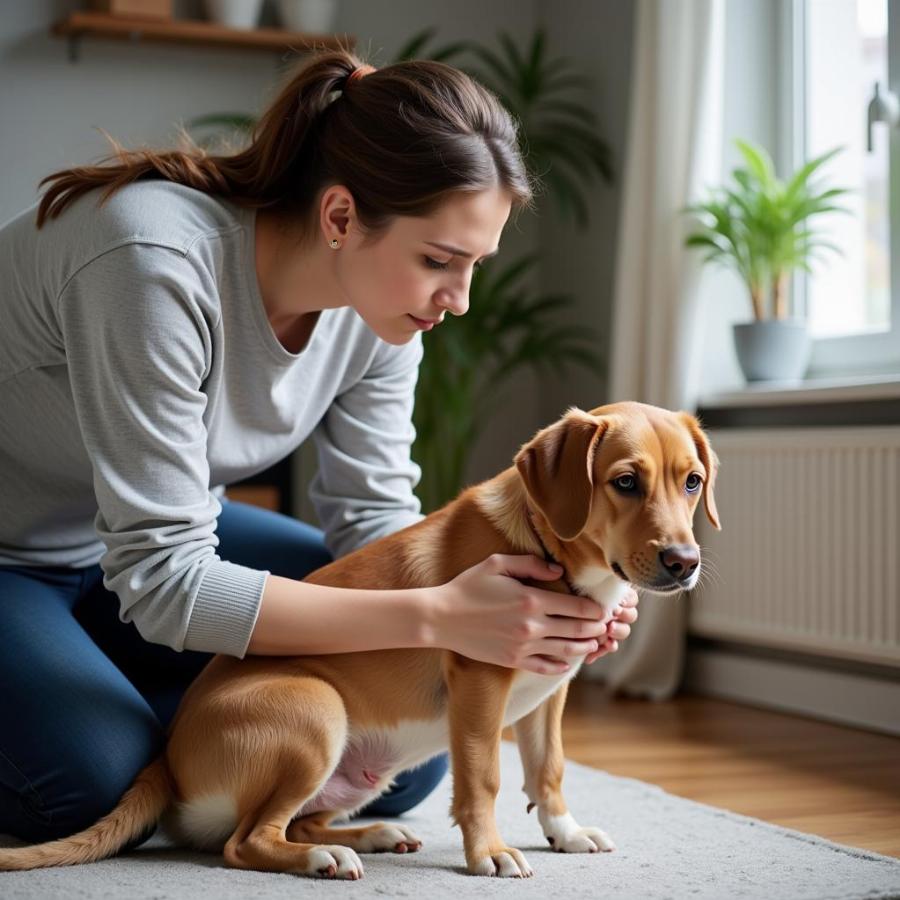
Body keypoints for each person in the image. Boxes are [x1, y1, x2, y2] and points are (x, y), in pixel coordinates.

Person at [0, 49, 638, 846]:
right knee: (89, 782)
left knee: (413, 736)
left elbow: (377, 521)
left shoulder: (385, 317)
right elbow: (165, 580)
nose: (461, 298)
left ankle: (191, 721)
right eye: (439, 261)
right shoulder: (151, 264)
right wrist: (441, 615)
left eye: (474, 265)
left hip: (125, 542)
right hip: (28, 554)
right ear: (340, 217)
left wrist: (541, 611)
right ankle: (169, 728)